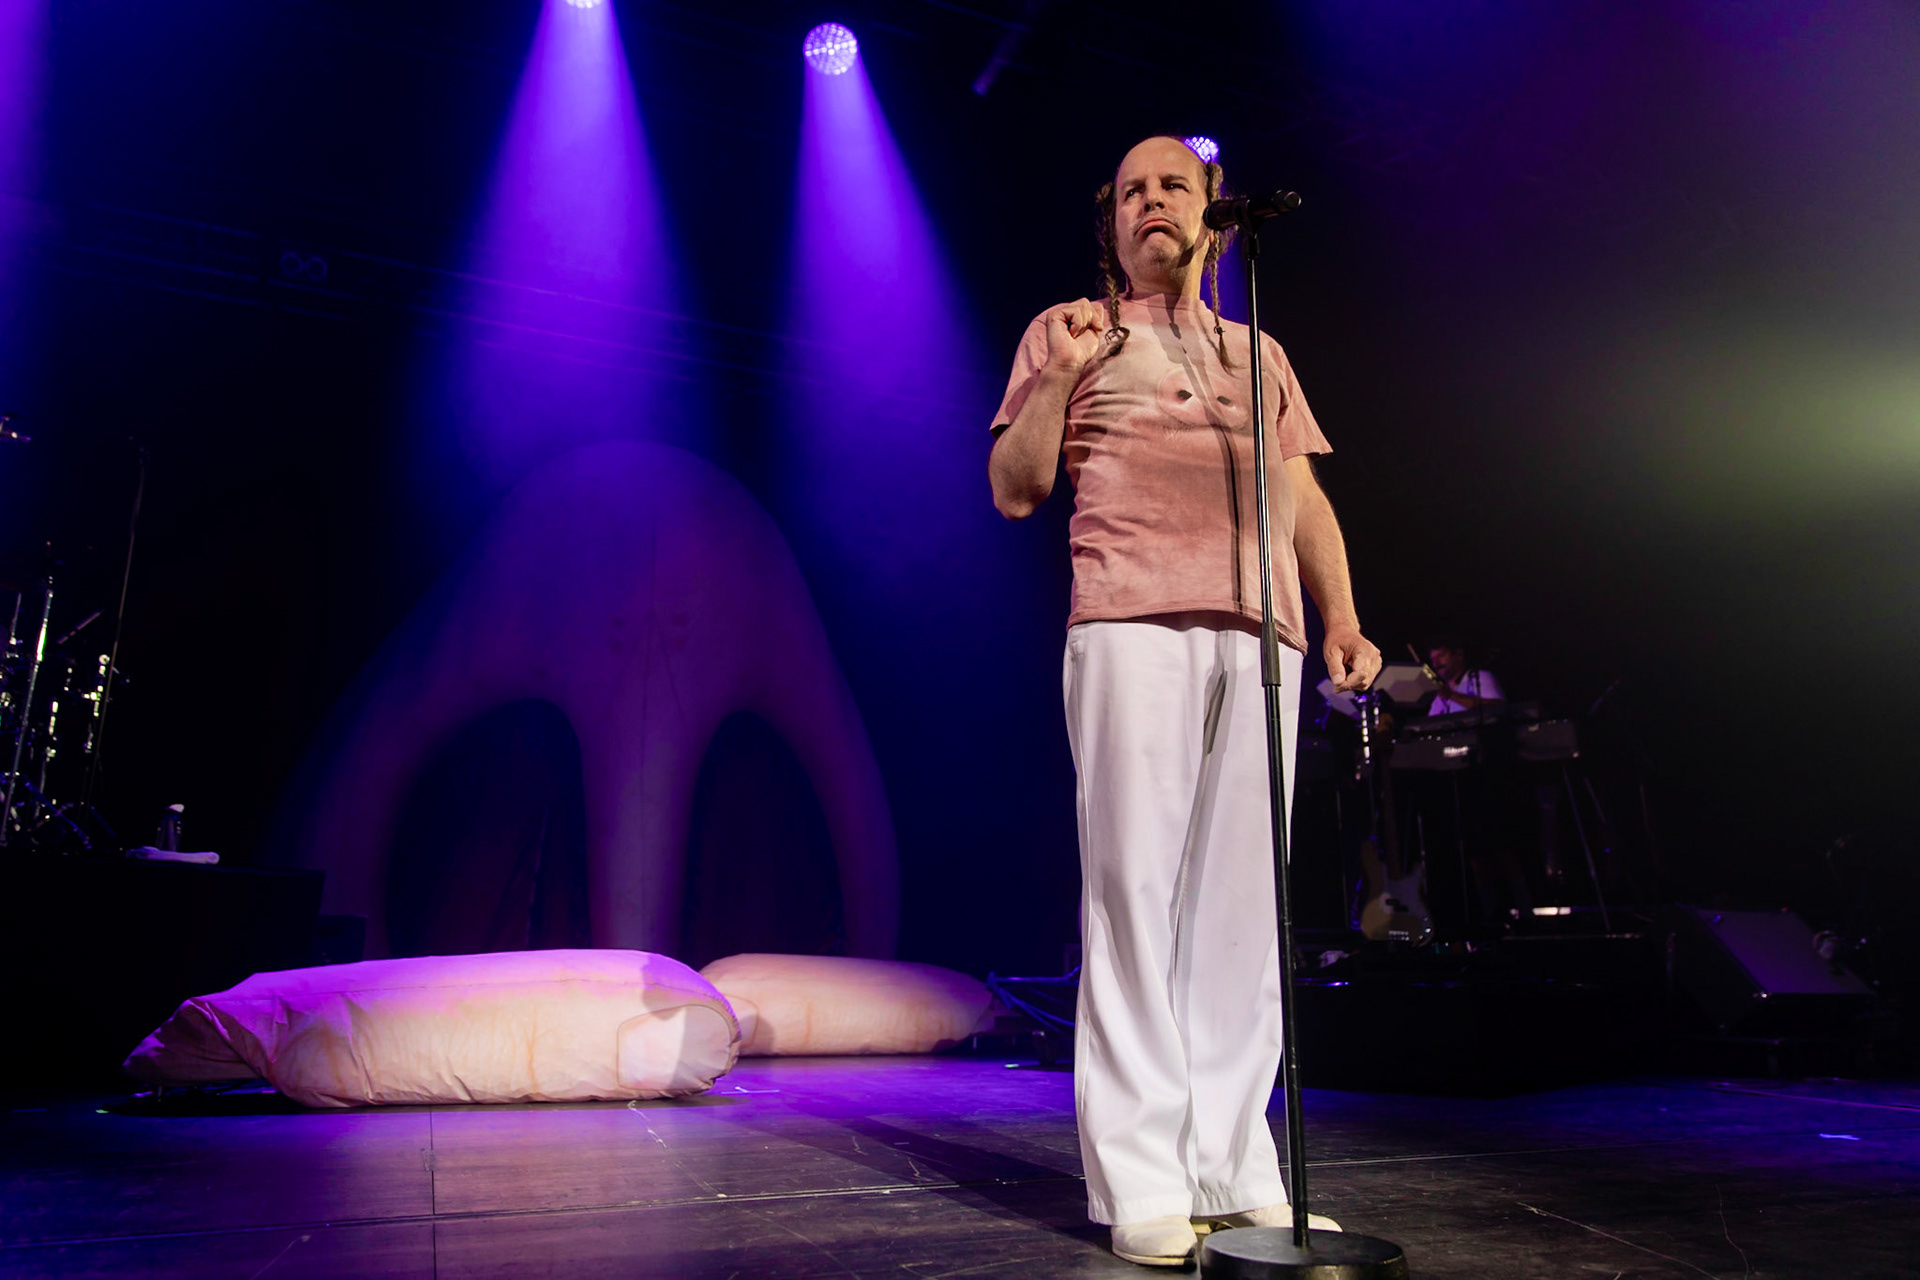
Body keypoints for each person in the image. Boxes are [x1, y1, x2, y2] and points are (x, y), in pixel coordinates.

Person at [987, 135, 1382, 1268]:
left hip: (1264, 637)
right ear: (1108, 224)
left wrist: (1343, 619)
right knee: (1135, 899)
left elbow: (1304, 500)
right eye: (1130, 192)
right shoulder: (1069, 330)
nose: (1152, 201)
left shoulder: (1262, 351)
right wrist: (1060, 377)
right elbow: (1015, 490)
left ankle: (1233, 1162)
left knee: (1243, 910)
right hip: (1130, 628)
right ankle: (1145, 1176)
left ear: (1214, 213)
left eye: (1173, 185)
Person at [1425, 643, 1504, 717]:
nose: (1436, 664)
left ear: (1459, 654)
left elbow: (1497, 707)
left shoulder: (1479, 676)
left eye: (1441, 655)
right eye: (1432, 660)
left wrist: (1451, 695)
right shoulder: (1440, 696)